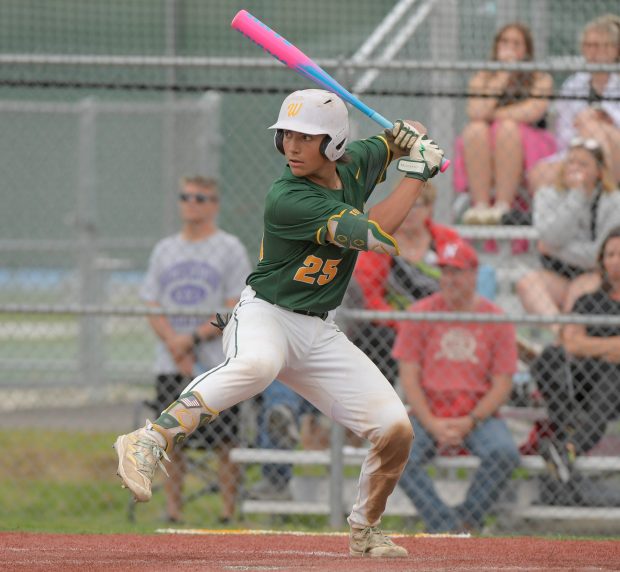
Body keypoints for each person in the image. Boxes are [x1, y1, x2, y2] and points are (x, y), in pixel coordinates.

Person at [114, 88, 446, 557]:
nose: (291, 145)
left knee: (395, 428)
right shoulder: (286, 196)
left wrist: (412, 137)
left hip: (317, 329)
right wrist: (416, 173)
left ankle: (365, 529)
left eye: (305, 137)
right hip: (264, 314)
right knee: (259, 365)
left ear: (333, 145)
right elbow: (376, 238)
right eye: (286, 134)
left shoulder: (357, 162)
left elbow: (396, 136)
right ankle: (149, 440)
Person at [140, 175, 252, 523]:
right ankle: (173, 510)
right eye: (186, 196)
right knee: (172, 438)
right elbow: (151, 303)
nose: (192, 203)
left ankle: (227, 512)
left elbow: (235, 304)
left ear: (214, 205)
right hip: (171, 362)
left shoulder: (230, 248)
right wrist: (174, 343)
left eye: (201, 198)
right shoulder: (165, 249)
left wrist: (193, 338)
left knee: (224, 441)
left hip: (215, 362)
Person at [393, 239, 520, 533]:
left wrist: (471, 420)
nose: (449, 279)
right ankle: (446, 526)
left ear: (474, 274)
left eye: (457, 272)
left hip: (478, 414)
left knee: (504, 453)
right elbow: (409, 377)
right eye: (445, 272)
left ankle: (466, 520)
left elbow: (502, 384)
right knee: (396, 454)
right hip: (429, 411)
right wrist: (432, 423)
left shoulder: (495, 319)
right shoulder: (420, 312)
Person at [351, 182, 495, 385]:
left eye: (416, 205)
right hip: (395, 323)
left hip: (442, 318)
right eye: (405, 205)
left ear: (430, 208)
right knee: (377, 337)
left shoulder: (446, 239)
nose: (409, 213)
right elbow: (370, 297)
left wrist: (438, 322)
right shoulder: (380, 242)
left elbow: (464, 284)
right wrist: (405, 323)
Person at [530, 227, 620, 494]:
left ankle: (568, 445)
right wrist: (612, 347)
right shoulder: (589, 300)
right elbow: (571, 342)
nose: (615, 260)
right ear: (602, 261)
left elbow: (582, 343)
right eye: (610, 254)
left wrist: (591, 347)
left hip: (614, 387)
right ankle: (566, 432)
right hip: (585, 384)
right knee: (550, 357)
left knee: (613, 372)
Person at [516, 138, 620, 337]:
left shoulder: (614, 201)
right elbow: (552, 235)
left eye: (583, 164)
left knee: (579, 291)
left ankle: (573, 340)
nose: (575, 168)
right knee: (527, 284)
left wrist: (556, 249)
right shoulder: (547, 195)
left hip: (594, 273)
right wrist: (576, 196)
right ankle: (561, 335)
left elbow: (600, 254)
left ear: (599, 171)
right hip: (557, 274)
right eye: (571, 162)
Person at [455, 22, 556, 225]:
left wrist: (492, 114)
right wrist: (503, 75)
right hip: (486, 142)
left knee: (507, 128)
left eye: (516, 44)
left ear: (527, 49)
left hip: (527, 141)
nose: (509, 48)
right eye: (505, 42)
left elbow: (532, 111)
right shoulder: (483, 77)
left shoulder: (540, 78)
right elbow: (475, 112)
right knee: (475, 129)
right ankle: (481, 206)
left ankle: (503, 205)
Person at [529, 14, 620, 190]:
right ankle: (592, 197)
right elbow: (563, 133)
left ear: (615, 50)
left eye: (600, 46)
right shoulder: (573, 84)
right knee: (538, 174)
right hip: (577, 151)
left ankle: (604, 198)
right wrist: (585, 134)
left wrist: (601, 114)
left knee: (594, 127)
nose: (593, 52)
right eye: (588, 45)